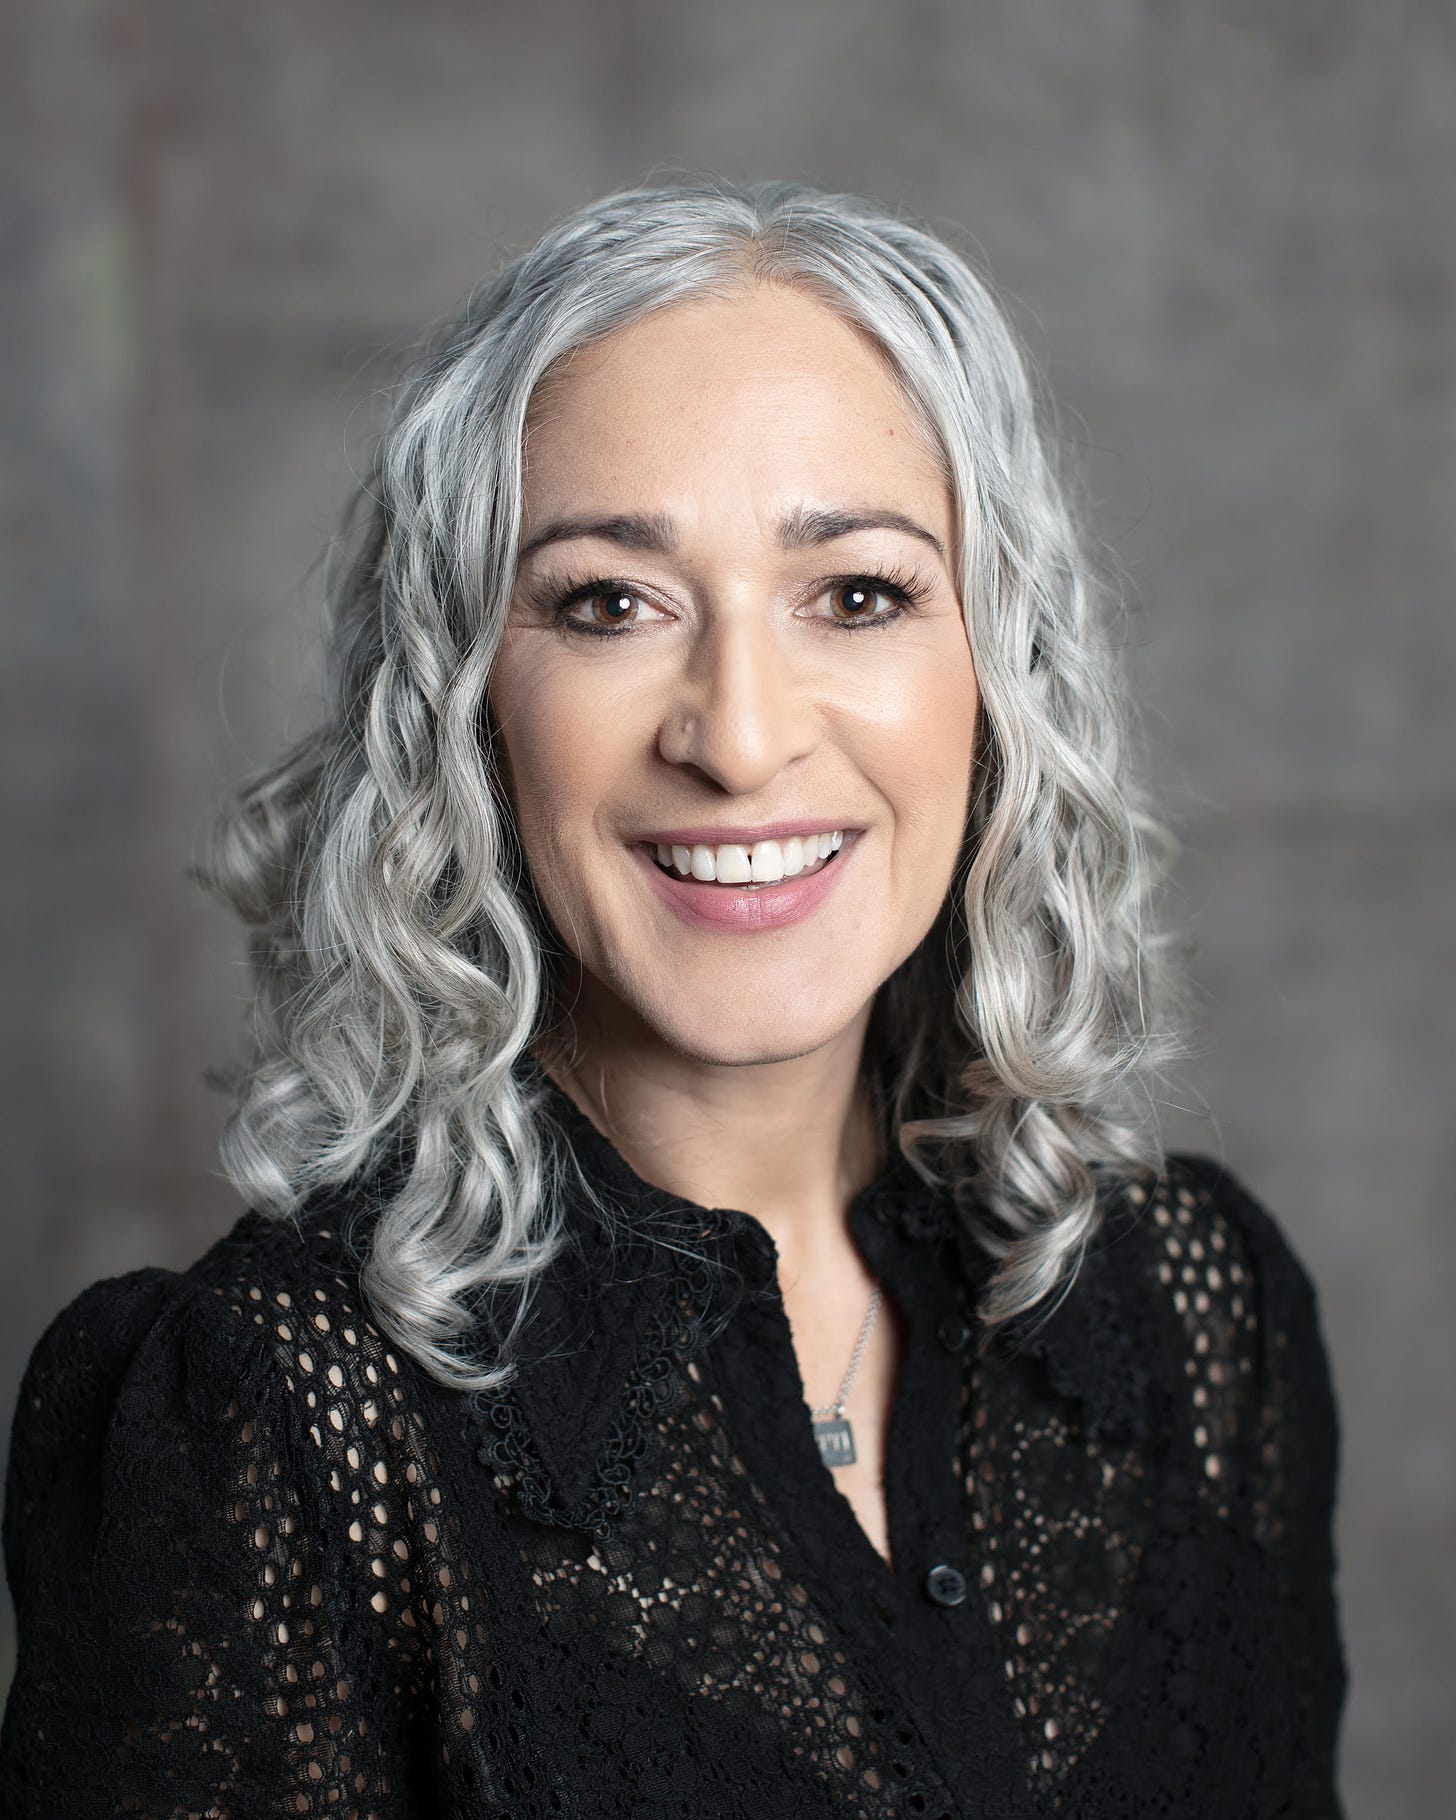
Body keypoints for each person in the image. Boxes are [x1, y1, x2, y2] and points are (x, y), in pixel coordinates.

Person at [0, 180, 1346, 1817]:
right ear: (467, 708)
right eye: (607, 603)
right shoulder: (271, 1418)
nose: (738, 733)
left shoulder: (1198, 1317)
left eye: (856, 594)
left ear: (994, 678)